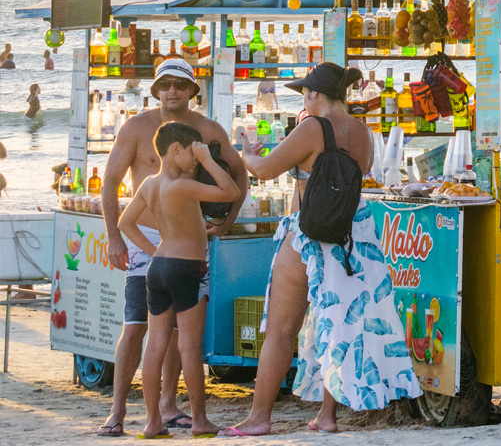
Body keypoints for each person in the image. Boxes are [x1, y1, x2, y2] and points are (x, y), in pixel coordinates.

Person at [225, 63, 420, 436]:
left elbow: (264, 170)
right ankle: (327, 416)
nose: (304, 99)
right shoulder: (363, 133)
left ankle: (259, 418)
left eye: (304, 93)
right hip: (351, 238)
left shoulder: (313, 127)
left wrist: (244, 153)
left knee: (281, 329)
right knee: (337, 326)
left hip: (307, 236)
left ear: (313, 94)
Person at [97, 58, 246, 437]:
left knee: (176, 336)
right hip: (154, 244)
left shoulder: (208, 129)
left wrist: (226, 222)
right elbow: (110, 182)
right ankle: (116, 413)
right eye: (165, 85)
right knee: (135, 328)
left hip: (179, 248)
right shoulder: (136, 127)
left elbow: (239, 172)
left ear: (193, 90)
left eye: (180, 85)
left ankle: (166, 406)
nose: (172, 91)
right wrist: (119, 240)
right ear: (156, 90)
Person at [120, 122, 239, 439]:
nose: (196, 160)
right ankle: (200, 420)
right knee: (188, 345)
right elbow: (232, 192)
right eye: (192, 152)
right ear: (175, 150)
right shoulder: (182, 186)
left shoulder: (149, 184)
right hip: (187, 267)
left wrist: (154, 251)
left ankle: (152, 422)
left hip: (158, 267)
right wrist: (211, 161)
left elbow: (125, 223)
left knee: (155, 345)